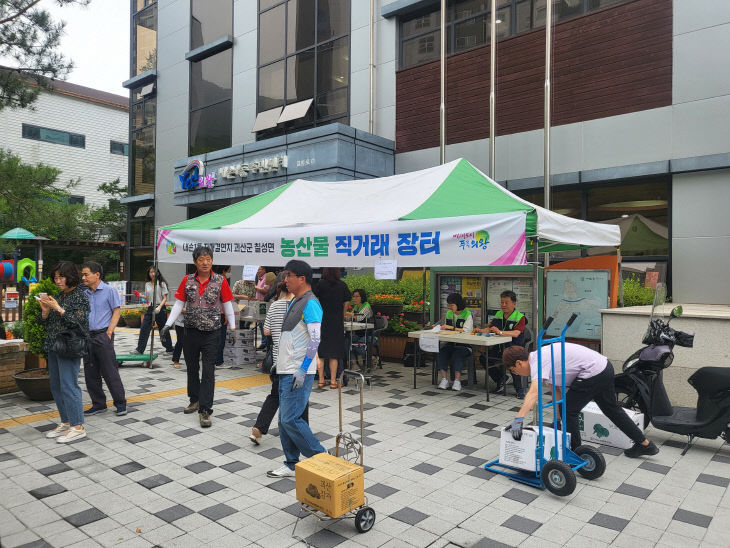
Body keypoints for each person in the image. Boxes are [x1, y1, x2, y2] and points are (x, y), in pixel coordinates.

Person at [503, 344, 659, 458]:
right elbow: (556, 390)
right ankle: (645, 445)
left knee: (569, 410)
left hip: (593, 372)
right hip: (604, 367)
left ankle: (575, 453)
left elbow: (533, 393)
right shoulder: (542, 357)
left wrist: (519, 419)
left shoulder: (538, 362)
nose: (517, 373)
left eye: (514, 370)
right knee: (611, 409)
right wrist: (557, 421)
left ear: (519, 363)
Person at [162, 246, 236, 428]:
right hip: (190, 331)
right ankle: (194, 399)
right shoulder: (187, 280)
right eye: (201, 259)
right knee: (192, 368)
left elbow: (227, 304)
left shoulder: (220, 281)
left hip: (212, 333)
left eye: (208, 259)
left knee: (209, 371)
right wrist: (167, 324)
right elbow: (179, 304)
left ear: (212, 260)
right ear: (195, 262)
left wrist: (233, 327)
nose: (205, 262)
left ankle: (205, 410)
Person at [266, 259, 327, 478]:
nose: (285, 279)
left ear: (302, 278)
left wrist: (302, 369)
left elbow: (315, 339)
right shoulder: (294, 301)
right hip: (286, 369)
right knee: (284, 420)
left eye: (289, 275)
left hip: (298, 371)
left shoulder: (311, 303)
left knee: (290, 418)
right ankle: (291, 463)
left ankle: (321, 457)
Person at [250, 281, 309, 445]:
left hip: (278, 360)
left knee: (275, 395)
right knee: (301, 397)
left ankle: (258, 428)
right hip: (297, 359)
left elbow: (267, 331)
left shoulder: (274, 306)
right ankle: (303, 431)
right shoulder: (300, 305)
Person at [39, 262, 90, 443]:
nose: (58, 281)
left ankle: (78, 426)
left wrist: (59, 309)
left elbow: (78, 323)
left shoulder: (81, 297)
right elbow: (49, 324)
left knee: (69, 385)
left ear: (71, 276)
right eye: (55, 278)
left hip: (69, 346)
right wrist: (45, 312)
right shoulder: (59, 295)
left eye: (61, 277)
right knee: (56, 386)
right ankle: (66, 421)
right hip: (54, 345)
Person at [80, 262, 127, 416]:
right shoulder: (84, 293)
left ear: (97, 275)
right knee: (90, 371)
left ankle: (120, 403)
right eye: (83, 274)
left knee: (109, 370)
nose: (83, 277)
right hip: (88, 336)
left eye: (86, 274)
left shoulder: (109, 291)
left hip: (103, 335)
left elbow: (116, 311)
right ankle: (99, 403)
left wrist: (109, 331)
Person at [476, 290, 527, 398]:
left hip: (514, 349)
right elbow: (491, 328)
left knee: (513, 360)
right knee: (484, 357)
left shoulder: (520, 317)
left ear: (514, 304)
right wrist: (480, 330)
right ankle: (501, 379)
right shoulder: (499, 314)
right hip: (500, 348)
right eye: (502, 302)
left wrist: (500, 332)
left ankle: (519, 389)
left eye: (506, 302)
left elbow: (516, 333)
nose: (503, 305)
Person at [314, 267, 351, 389]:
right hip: (336, 322)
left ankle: (320, 380)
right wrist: (343, 313)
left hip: (322, 320)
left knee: (322, 350)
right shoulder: (342, 285)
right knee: (334, 353)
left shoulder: (320, 284)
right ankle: (334, 382)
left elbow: (314, 299)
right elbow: (346, 301)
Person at [436, 293, 474, 392]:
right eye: (449, 305)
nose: (450, 307)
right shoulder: (448, 314)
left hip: (464, 345)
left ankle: (457, 381)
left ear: (459, 304)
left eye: (452, 305)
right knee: (441, 352)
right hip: (450, 343)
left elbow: (466, 331)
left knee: (457, 355)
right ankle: (444, 379)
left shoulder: (467, 314)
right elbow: (443, 326)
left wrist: (450, 328)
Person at [135, 267, 174, 355]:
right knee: (144, 328)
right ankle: (139, 349)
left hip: (160, 308)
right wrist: (140, 295)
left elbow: (164, 298)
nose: (152, 274)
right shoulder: (147, 284)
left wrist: (159, 307)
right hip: (150, 308)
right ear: (148, 274)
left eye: (154, 272)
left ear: (158, 273)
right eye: (151, 272)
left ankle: (169, 348)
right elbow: (148, 298)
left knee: (163, 329)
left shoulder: (161, 284)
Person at [344, 289, 373, 365]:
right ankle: (353, 362)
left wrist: (345, 313)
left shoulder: (366, 306)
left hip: (368, 334)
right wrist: (344, 316)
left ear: (362, 297)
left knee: (358, 345)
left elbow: (359, 318)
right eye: (353, 297)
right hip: (358, 333)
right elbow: (350, 318)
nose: (354, 298)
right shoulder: (356, 307)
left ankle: (371, 359)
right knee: (345, 341)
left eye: (357, 296)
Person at [214, 265, 233, 370]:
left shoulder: (212, 280)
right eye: (229, 271)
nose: (229, 273)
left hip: (212, 314)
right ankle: (219, 362)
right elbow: (224, 301)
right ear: (224, 271)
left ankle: (213, 360)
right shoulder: (222, 281)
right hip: (220, 313)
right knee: (221, 339)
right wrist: (226, 315)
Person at [254, 266, 271, 350]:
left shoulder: (267, 278)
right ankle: (264, 343)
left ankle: (266, 343)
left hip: (264, 304)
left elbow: (266, 290)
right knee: (260, 324)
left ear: (264, 270)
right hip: (258, 303)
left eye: (259, 269)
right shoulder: (259, 278)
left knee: (264, 324)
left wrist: (255, 287)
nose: (257, 271)